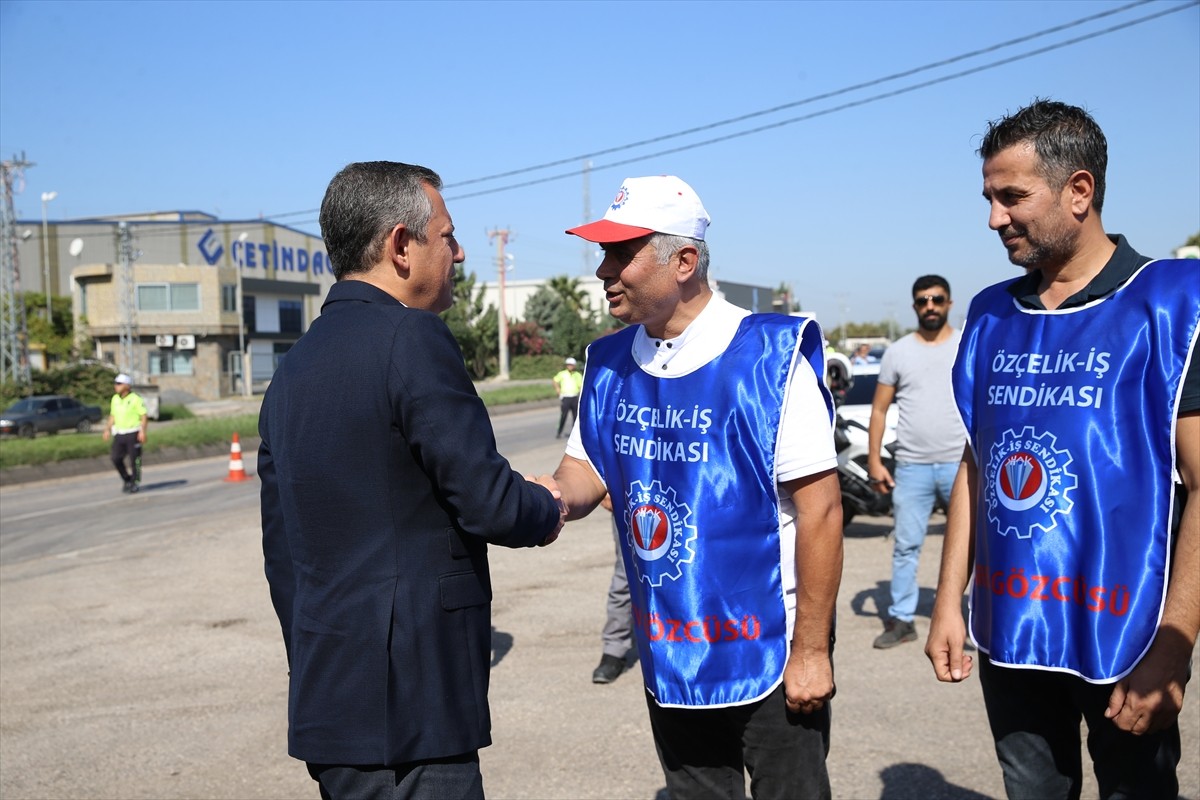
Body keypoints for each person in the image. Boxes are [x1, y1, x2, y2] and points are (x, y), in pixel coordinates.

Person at [259, 161, 566, 800]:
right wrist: (547, 503)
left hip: (332, 701)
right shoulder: (412, 338)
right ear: (402, 246)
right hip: (412, 709)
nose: (458, 252)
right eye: (447, 237)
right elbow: (488, 501)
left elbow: (282, 552)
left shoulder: (293, 369)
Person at [925, 100, 1199, 799]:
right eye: (989, 198)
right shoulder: (989, 314)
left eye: (1013, 197)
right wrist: (949, 600)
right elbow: (977, 465)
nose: (994, 218)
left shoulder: (1170, 305)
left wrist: (1177, 638)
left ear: (1080, 191)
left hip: (1128, 634)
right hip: (1013, 628)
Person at [552, 174, 843, 799]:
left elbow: (820, 512)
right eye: (603, 252)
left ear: (684, 260)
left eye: (620, 253)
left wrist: (813, 650)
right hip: (671, 651)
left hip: (771, 650)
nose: (604, 270)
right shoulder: (606, 362)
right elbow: (586, 471)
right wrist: (544, 498)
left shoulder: (768, 356)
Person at [867, 276, 967, 649]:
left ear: (949, 303)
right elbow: (878, 410)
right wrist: (875, 462)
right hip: (912, 467)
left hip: (963, 467)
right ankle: (902, 619)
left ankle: (980, 618)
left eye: (937, 299)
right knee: (907, 545)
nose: (930, 306)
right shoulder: (898, 352)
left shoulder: (965, 344)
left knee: (981, 547)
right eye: (923, 300)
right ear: (914, 306)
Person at [592, 493, 633, 684]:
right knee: (626, 573)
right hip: (632, 494)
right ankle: (614, 649)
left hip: (692, 490)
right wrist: (606, 487)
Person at [102, 372, 147, 494]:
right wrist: (107, 429)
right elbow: (113, 415)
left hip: (133, 433)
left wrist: (142, 431)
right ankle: (127, 479)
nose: (115, 386)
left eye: (119, 384)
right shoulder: (115, 399)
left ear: (126, 385)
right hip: (120, 433)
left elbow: (143, 416)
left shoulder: (135, 399)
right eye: (115, 384)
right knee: (115, 458)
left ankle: (135, 482)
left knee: (135, 460)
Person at [552, 356, 584, 438]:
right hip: (566, 397)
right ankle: (559, 432)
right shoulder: (562, 374)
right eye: (568, 365)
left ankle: (575, 434)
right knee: (563, 415)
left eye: (571, 365)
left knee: (575, 416)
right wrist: (558, 390)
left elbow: (580, 386)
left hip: (574, 397)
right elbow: (555, 381)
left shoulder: (577, 375)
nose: (570, 366)